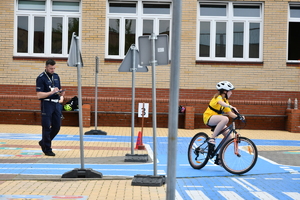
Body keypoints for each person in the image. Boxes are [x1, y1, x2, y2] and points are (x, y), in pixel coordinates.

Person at [36, 59, 65, 156]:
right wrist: (51, 93)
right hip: (47, 104)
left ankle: (43, 141)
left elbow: (59, 89)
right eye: (50, 68)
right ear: (46, 67)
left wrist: (61, 93)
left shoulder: (56, 76)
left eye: (54, 68)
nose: (52, 70)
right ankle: (47, 148)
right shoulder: (41, 78)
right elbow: (39, 95)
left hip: (56, 104)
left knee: (57, 127)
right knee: (46, 127)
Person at [203, 81, 242, 146]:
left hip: (218, 120)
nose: (231, 93)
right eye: (230, 91)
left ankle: (220, 154)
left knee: (229, 137)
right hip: (208, 118)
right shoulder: (217, 97)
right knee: (225, 119)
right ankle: (212, 138)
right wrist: (230, 106)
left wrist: (239, 116)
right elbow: (221, 102)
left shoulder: (225, 101)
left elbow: (230, 113)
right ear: (225, 91)